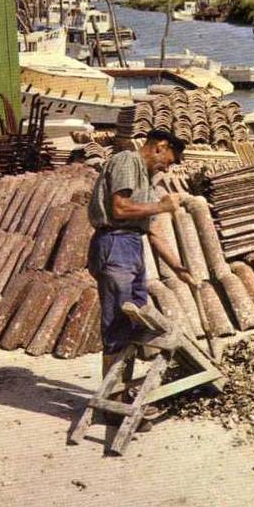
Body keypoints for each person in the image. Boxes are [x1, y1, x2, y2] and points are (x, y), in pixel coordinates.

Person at [87, 129, 197, 378]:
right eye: (169, 161)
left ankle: (121, 388)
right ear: (160, 146)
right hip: (115, 243)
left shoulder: (146, 180)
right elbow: (119, 209)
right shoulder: (127, 160)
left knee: (134, 318)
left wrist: (179, 269)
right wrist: (162, 206)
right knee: (117, 320)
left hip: (131, 246)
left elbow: (155, 231)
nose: (167, 169)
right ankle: (111, 398)